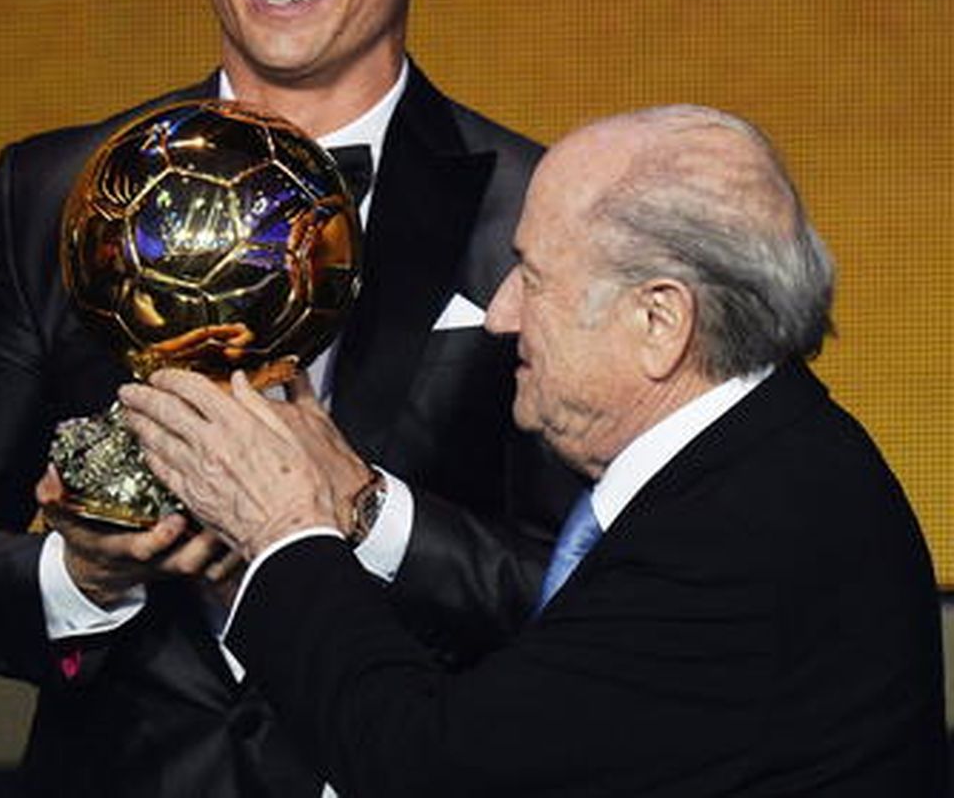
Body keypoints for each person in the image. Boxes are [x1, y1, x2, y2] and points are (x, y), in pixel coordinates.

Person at [0, 0, 583, 795]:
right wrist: (79, 576)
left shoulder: (539, 207)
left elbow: (584, 599)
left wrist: (368, 510)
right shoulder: (52, 191)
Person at [122, 105, 947, 797]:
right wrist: (354, 504)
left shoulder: (738, 541)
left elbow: (427, 768)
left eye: (532, 275)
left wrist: (283, 530)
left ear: (659, 322)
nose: (500, 314)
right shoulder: (762, 463)